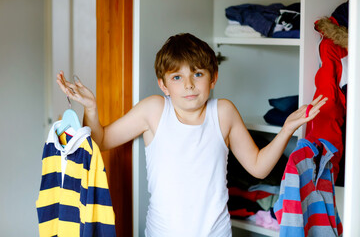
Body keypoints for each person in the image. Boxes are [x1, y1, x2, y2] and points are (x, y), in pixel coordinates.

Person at [57, 33, 327, 237]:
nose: (188, 84)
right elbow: (100, 140)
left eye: (197, 74)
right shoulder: (153, 110)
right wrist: (91, 108)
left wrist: (287, 128)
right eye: (176, 77)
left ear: (213, 78)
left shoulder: (223, 112)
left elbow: (258, 167)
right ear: (163, 84)